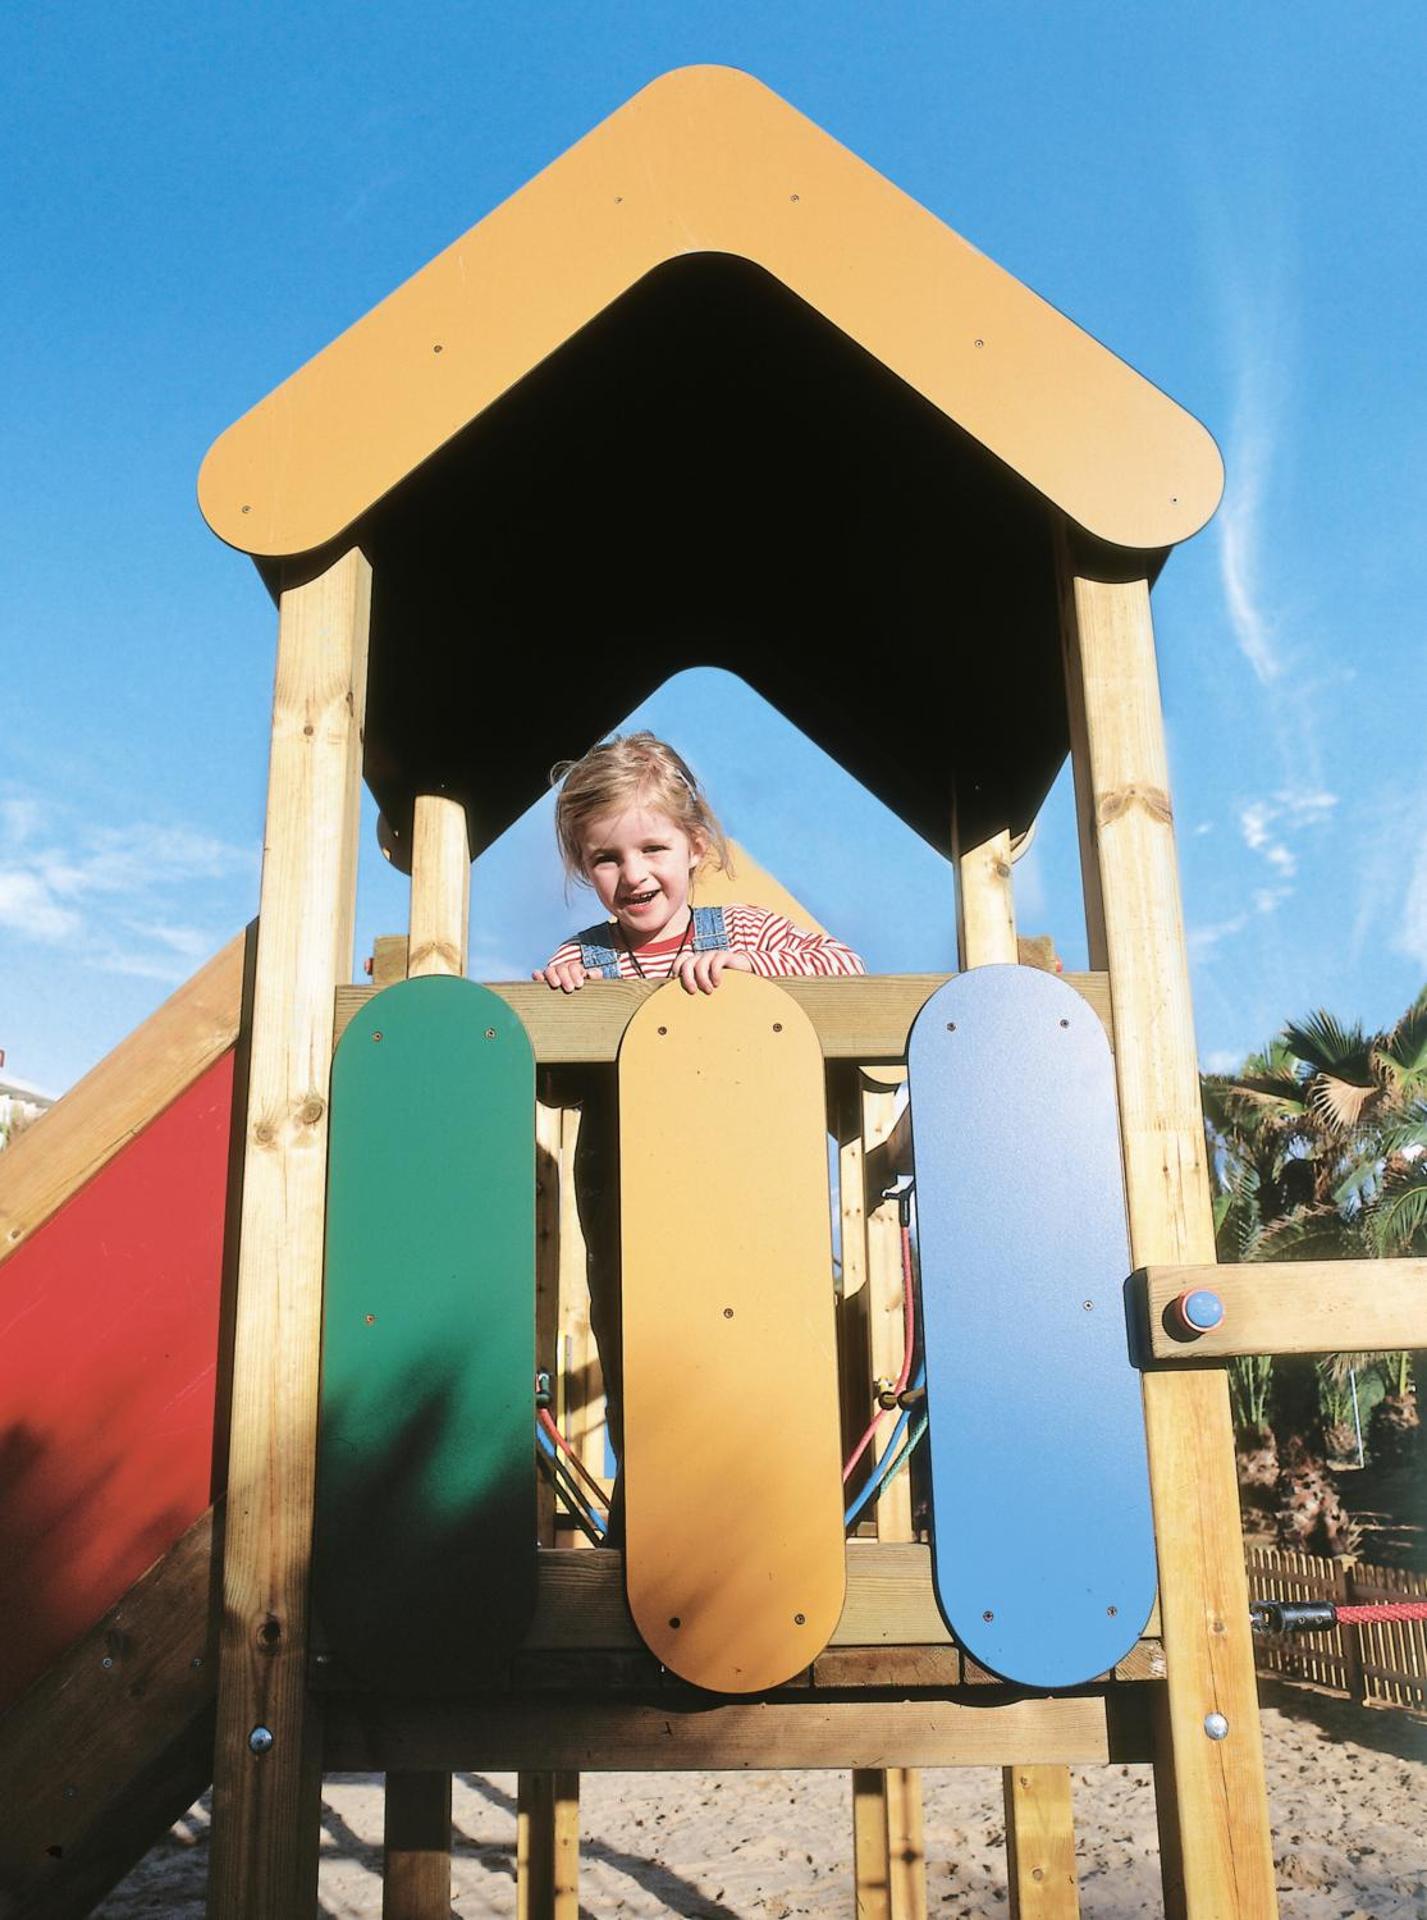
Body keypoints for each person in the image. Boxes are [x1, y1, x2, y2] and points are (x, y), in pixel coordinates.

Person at [533, 732, 864, 1538]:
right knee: (641, 1350)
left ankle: (783, 1522)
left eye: (653, 846)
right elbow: (551, 1070)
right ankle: (657, 1531)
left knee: (755, 1345)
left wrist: (760, 984)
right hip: (629, 1198)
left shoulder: (745, 932)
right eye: (606, 857)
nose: (634, 873)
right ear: (584, 867)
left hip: (741, 1184)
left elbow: (849, 973)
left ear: (695, 847)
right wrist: (559, 995)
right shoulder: (588, 958)